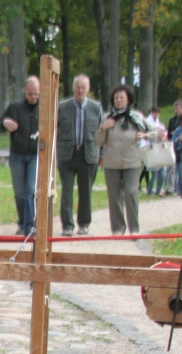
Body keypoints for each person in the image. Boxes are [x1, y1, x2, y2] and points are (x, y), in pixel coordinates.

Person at [96, 85, 149, 235]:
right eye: (116, 98)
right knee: (114, 196)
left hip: (132, 162)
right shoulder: (107, 118)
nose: (118, 100)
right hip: (112, 163)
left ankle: (134, 229)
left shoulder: (136, 117)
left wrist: (145, 135)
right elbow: (98, 142)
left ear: (128, 100)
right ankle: (118, 228)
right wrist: (103, 128)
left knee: (131, 193)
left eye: (122, 97)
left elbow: (157, 132)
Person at [56, 74, 103, 236]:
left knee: (86, 192)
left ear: (88, 89)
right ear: (73, 88)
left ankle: (84, 224)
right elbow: (54, 130)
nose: (80, 90)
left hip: (88, 154)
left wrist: (102, 155)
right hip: (67, 155)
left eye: (83, 87)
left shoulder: (96, 108)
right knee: (66, 192)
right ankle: (67, 226)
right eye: (78, 87)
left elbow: (102, 132)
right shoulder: (62, 107)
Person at [0, 76, 41, 236]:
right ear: (24, 91)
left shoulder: (44, 108)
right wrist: (5, 123)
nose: (34, 97)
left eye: (36, 94)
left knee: (30, 190)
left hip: (35, 155)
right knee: (20, 193)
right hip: (17, 155)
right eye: (30, 94)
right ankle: (23, 222)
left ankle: (29, 226)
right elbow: (0, 125)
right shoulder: (15, 107)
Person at [142, 107, 167, 197]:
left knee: (163, 174)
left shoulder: (158, 122)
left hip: (160, 152)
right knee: (154, 174)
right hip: (153, 151)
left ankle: (158, 190)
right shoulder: (149, 122)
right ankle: (150, 190)